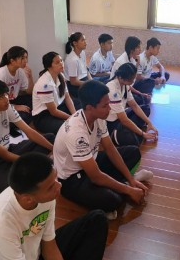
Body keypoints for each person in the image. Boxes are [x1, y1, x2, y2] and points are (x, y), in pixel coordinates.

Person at [0, 153, 109, 260]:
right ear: (28, 199)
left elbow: (49, 245)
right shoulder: (0, 229)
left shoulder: (43, 195)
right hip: (9, 259)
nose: (59, 186)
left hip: (33, 255)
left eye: (55, 179)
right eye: (51, 187)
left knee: (96, 219)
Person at [54, 80, 153, 218]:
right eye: (105, 105)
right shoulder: (76, 133)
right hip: (72, 179)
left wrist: (130, 179)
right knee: (113, 200)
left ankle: (126, 182)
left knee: (133, 152)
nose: (110, 109)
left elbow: (110, 149)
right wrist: (129, 190)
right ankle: (120, 187)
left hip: (91, 162)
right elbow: (95, 176)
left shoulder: (98, 117)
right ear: (90, 107)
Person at [106, 63, 158, 147]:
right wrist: (143, 134)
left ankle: (132, 129)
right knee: (134, 142)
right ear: (121, 77)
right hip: (112, 123)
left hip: (122, 116)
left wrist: (149, 123)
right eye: (131, 79)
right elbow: (124, 119)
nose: (133, 81)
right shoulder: (112, 89)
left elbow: (134, 106)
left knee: (146, 108)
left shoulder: (125, 85)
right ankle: (130, 130)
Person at [31, 52, 78, 137]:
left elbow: (67, 97)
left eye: (61, 61)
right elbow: (53, 111)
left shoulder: (61, 76)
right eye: (57, 62)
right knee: (67, 128)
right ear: (49, 66)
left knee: (80, 106)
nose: (61, 63)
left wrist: (75, 115)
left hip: (57, 107)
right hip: (43, 116)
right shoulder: (45, 84)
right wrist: (71, 118)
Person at [0, 46, 34, 121]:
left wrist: (30, 77)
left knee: (34, 99)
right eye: (22, 58)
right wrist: (16, 107)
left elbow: (29, 92)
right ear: (12, 61)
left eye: (26, 58)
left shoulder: (20, 71)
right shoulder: (0, 75)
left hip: (12, 100)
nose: (25, 61)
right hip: (0, 104)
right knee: (23, 117)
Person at [110, 36, 151, 110]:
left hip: (129, 86)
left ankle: (132, 100)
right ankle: (126, 103)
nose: (140, 50)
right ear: (132, 49)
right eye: (138, 47)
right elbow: (127, 83)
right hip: (120, 90)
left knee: (150, 82)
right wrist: (140, 93)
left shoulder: (132, 58)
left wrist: (137, 63)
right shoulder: (121, 62)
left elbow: (132, 79)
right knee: (143, 101)